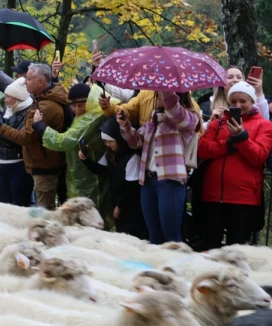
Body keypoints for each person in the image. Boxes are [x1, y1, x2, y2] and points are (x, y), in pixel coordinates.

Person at [196, 81, 272, 248]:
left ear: (252, 102)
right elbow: (202, 149)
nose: (238, 105)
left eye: (243, 101)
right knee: (210, 248)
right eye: (233, 101)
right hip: (213, 195)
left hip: (243, 199)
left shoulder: (265, 125)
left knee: (237, 252)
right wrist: (226, 145)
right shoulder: (219, 122)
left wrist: (241, 137)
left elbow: (258, 156)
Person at [119, 90, 200, 245]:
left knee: (171, 238)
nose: (158, 97)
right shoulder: (154, 119)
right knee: (154, 236)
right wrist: (125, 126)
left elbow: (175, 111)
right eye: (159, 93)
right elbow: (136, 142)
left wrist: (165, 88)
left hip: (170, 183)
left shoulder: (188, 118)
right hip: (148, 182)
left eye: (163, 93)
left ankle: (176, 268)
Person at [0, 63, 69, 210]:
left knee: (44, 213)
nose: (25, 81)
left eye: (29, 79)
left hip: (45, 166)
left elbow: (26, 136)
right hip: (38, 164)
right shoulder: (40, 99)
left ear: (41, 82)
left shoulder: (46, 106)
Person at [36, 82, 110, 224]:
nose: (76, 110)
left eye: (81, 105)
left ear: (89, 101)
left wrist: (41, 127)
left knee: (89, 216)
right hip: (79, 174)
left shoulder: (92, 117)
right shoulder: (87, 113)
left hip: (90, 177)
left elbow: (64, 141)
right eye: (73, 106)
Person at [82, 117, 147, 239]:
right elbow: (100, 169)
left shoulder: (132, 158)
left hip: (130, 205)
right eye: (105, 142)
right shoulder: (111, 154)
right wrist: (86, 159)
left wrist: (119, 207)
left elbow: (131, 188)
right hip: (117, 200)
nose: (107, 144)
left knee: (132, 233)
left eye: (110, 141)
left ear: (120, 140)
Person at [0, 78, 35, 207]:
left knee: (19, 204)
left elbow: (18, 137)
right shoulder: (8, 111)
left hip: (18, 164)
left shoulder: (28, 113)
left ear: (18, 98)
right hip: (1, 162)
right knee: (1, 204)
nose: (6, 100)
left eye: (9, 97)